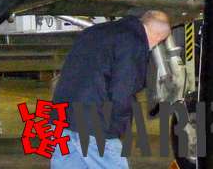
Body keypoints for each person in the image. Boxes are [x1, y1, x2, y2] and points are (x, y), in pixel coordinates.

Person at [50, 11, 171, 169]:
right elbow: (121, 92)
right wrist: (116, 129)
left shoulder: (96, 31)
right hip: (92, 122)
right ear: (158, 37)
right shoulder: (133, 43)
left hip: (60, 116)